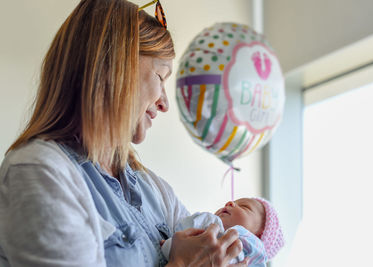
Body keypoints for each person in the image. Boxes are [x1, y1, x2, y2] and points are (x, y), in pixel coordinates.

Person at [0, 0, 247, 266]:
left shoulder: (155, 189)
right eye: (160, 77)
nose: (164, 103)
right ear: (114, 67)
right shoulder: (39, 171)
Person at [161, 198, 285, 266]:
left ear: (258, 235)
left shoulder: (250, 248)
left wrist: (169, 245)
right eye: (235, 202)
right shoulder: (211, 231)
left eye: (244, 207)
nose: (230, 202)